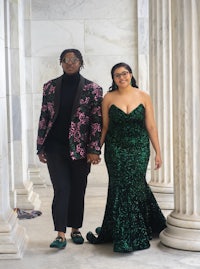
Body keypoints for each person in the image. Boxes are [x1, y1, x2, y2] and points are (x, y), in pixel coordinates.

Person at [86, 62, 166, 253]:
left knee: (136, 185)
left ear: (131, 75)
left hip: (139, 148)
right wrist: (96, 150)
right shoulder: (108, 98)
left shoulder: (144, 96)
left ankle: (140, 227)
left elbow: (151, 127)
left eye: (124, 74)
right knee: (120, 187)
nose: (121, 78)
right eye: (117, 75)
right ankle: (123, 233)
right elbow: (104, 127)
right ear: (113, 79)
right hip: (115, 149)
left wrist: (158, 152)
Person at [37, 49, 103, 249]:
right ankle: (59, 234)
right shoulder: (49, 87)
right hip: (55, 147)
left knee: (78, 189)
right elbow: (44, 117)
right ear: (61, 63)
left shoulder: (93, 89)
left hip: (81, 149)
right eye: (65, 60)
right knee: (61, 189)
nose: (70, 63)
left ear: (81, 62)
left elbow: (96, 122)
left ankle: (75, 229)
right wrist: (40, 146)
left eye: (74, 60)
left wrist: (94, 149)